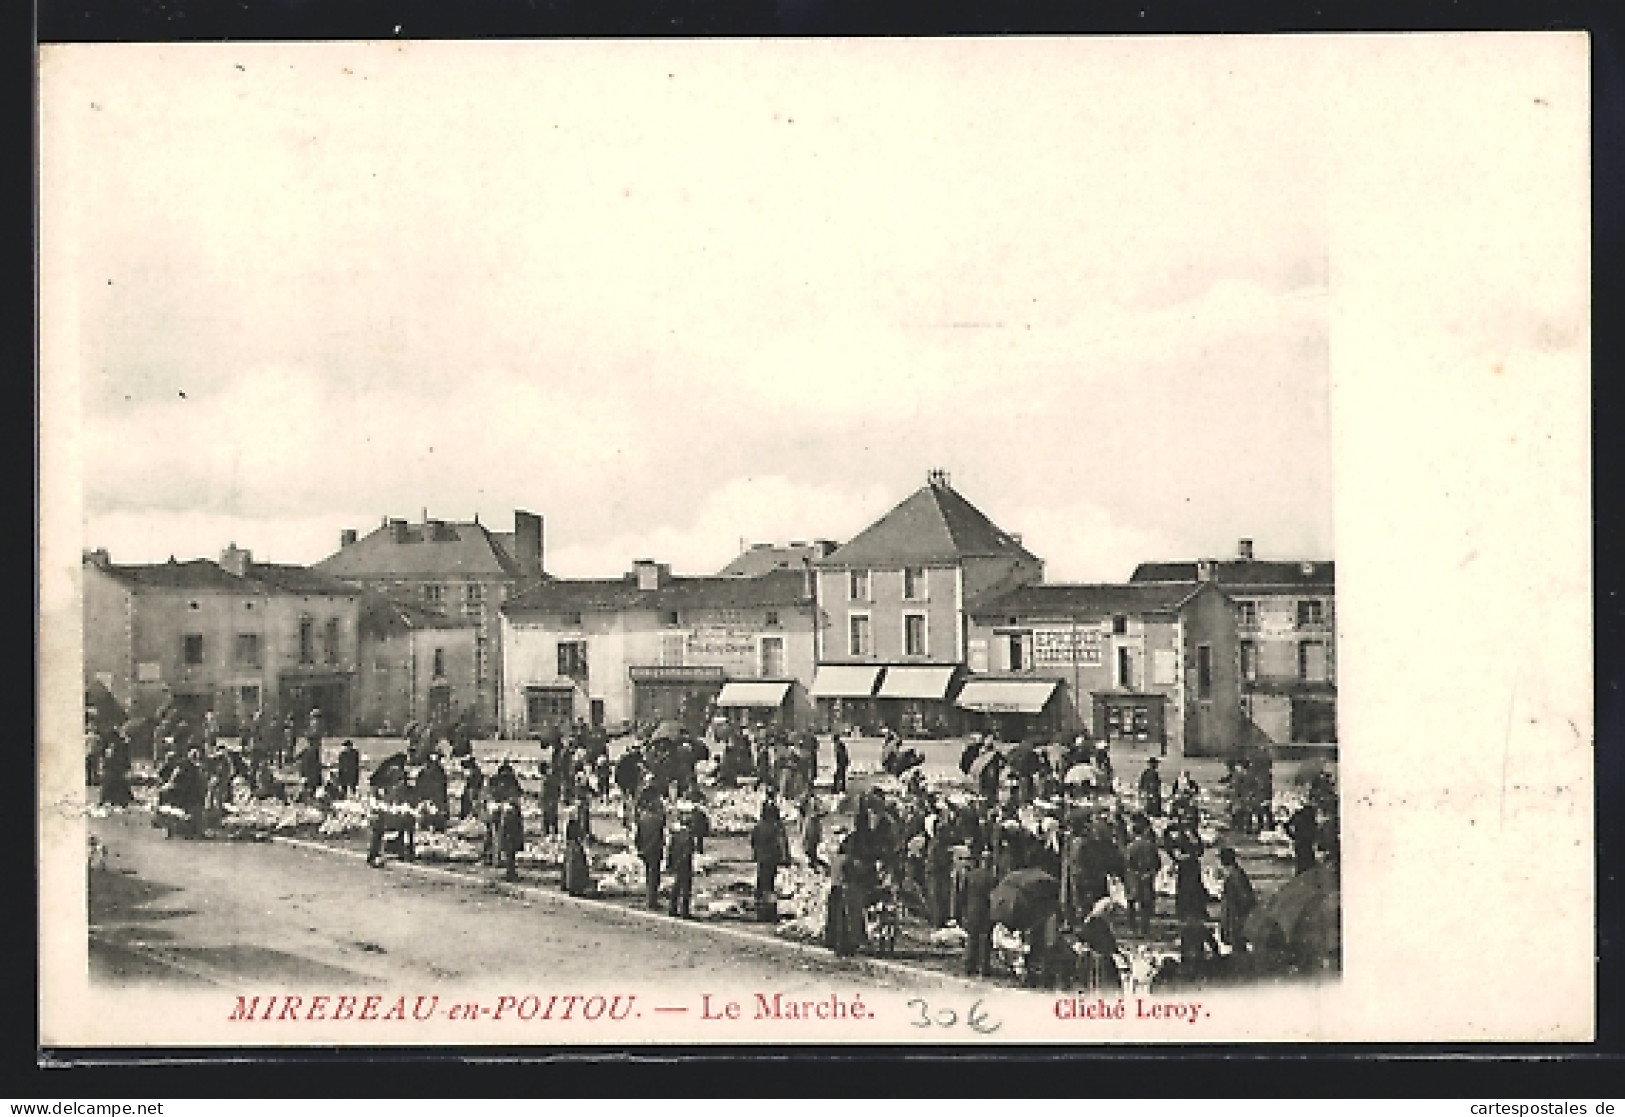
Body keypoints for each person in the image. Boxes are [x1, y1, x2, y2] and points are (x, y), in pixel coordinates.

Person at [823, 831, 870, 957]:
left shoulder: (835, 858)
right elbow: (854, 875)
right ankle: (846, 945)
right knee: (846, 920)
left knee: (835, 919)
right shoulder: (850, 861)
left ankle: (834, 942)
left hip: (834, 890)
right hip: (846, 891)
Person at [957, 851, 999, 978]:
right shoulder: (993, 878)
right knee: (985, 939)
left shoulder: (970, 875)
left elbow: (962, 894)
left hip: (972, 910)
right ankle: (984, 968)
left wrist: (963, 910)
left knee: (972, 938)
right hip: (986, 911)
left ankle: (969, 966)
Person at [751, 798, 788, 922]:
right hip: (771, 859)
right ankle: (769, 912)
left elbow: (753, 842)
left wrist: (756, 854)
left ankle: (760, 911)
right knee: (769, 885)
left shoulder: (759, 826)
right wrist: (785, 858)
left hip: (761, 859)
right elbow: (781, 843)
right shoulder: (775, 827)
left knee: (761, 884)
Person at [1123, 819, 1162, 936]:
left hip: (1133, 877)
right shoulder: (1151, 846)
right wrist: (1150, 873)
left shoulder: (1130, 847)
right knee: (1145, 904)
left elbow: (1126, 863)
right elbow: (1158, 863)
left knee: (1131, 903)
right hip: (1147, 876)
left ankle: (1133, 928)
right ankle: (1145, 929)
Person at [1217, 847, 1257, 955]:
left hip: (1236, 917)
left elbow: (1244, 898)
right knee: (1238, 945)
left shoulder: (1235, 876)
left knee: (1238, 945)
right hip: (1236, 917)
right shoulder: (1236, 874)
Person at [635, 796, 667, 911]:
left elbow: (637, 836)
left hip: (645, 849)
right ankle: (651, 900)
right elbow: (659, 836)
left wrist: (639, 849)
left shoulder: (643, 818)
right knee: (654, 875)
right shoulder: (658, 820)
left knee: (648, 874)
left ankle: (649, 898)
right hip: (654, 849)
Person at [666, 815, 696, 918]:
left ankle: (672, 908)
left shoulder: (676, 835)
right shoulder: (689, 836)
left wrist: (670, 864)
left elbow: (670, 850)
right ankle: (685, 911)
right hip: (685, 864)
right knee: (686, 888)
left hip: (676, 863)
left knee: (676, 886)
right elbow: (688, 852)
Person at [562, 814, 594, 896]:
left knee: (571, 864)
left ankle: (571, 886)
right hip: (573, 844)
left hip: (572, 844)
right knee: (575, 865)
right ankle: (575, 886)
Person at [1286, 801, 1319, 875]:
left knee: (1301, 862)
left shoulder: (1298, 815)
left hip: (1300, 841)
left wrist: (1292, 836)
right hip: (1307, 842)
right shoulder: (1310, 817)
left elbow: (1287, 825)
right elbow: (1315, 830)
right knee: (1309, 863)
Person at [417, 752, 450, 827]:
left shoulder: (440, 772)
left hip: (437, 797)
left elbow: (443, 788)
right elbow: (419, 787)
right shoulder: (423, 773)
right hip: (428, 798)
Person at [802, 796, 827, 872]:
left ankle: (813, 861)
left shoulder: (814, 800)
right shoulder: (810, 801)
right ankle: (813, 861)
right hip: (811, 825)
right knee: (811, 843)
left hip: (813, 824)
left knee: (813, 844)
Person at [297, 733, 324, 800]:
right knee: (310, 786)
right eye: (318, 742)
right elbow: (313, 763)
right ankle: (305, 798)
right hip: (311, 772)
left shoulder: (308, 750)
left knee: (310, 786)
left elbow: (298, 757)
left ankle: (306, 797)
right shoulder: (312, 751)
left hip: (310, 772)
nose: (319, 744)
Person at [459, 755, 485, 820]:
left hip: (473, 789)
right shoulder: (475, 770)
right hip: (473, 789)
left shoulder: (475, 771)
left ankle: (469, 816)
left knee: (471, 802)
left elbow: (476, 782)